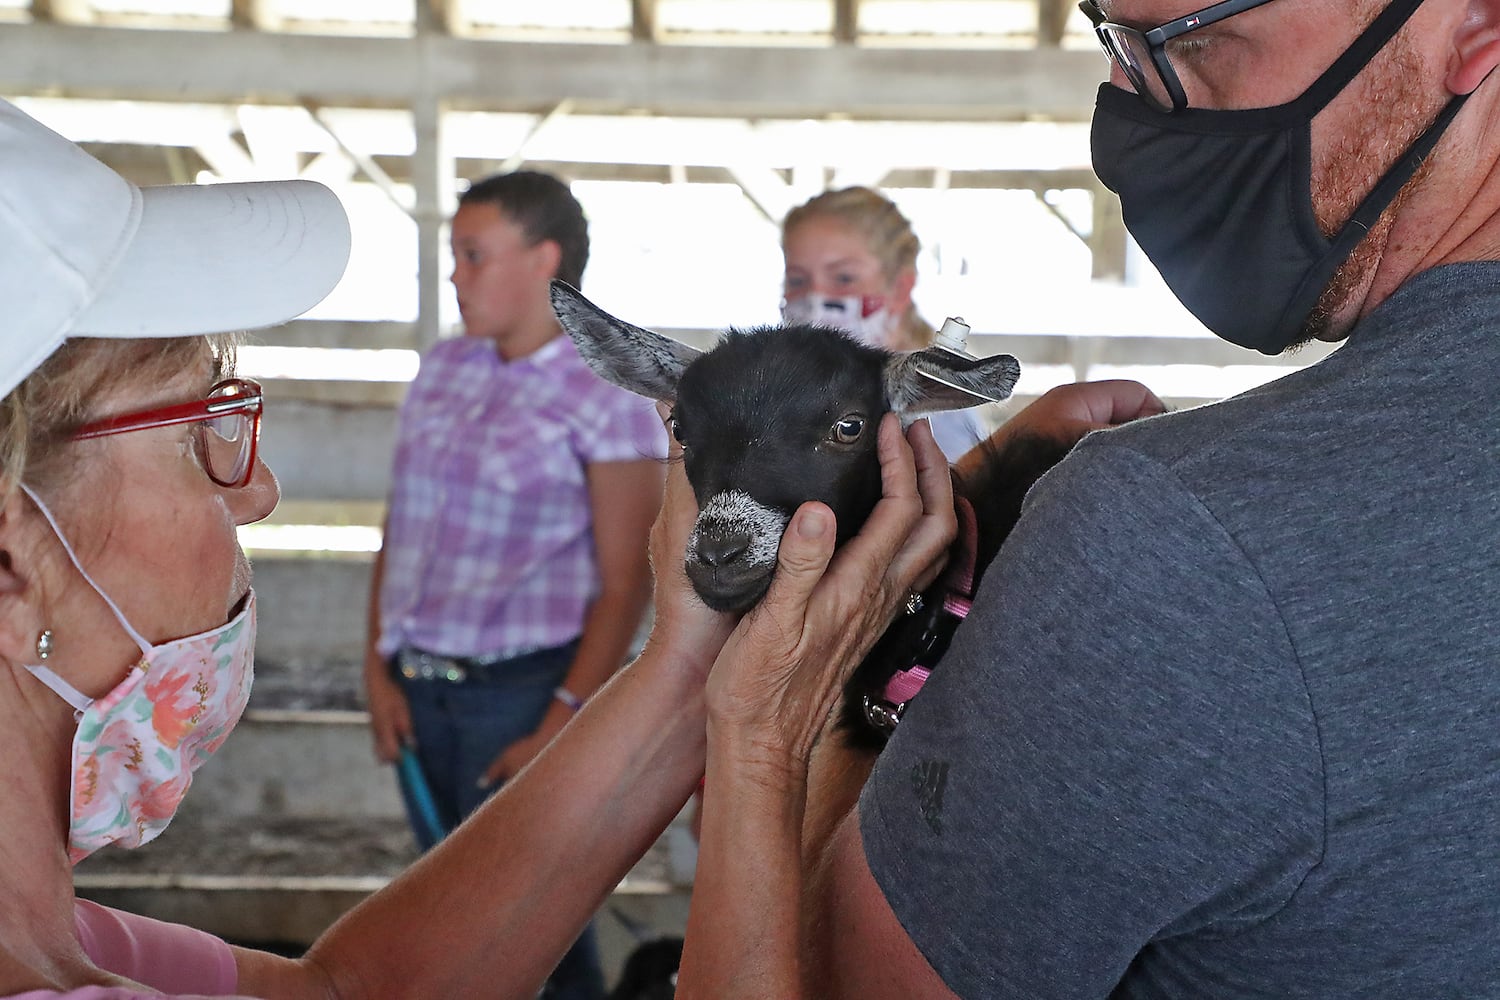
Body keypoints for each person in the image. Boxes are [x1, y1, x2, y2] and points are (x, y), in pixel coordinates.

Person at [0, 94, 991, 1000]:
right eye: (200, 432)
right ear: (9, 557)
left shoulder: (68, 944)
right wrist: (762, 742)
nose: (257, 487)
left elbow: (351, 993)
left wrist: (696, 662)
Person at [687, 0, 1499, 996]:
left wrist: (860, 668)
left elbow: (815, 974)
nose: (1127, 111)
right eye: (1111, 40)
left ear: (1475, 26)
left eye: (1188, 40)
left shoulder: (1169, 541)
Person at [360, 170, 666, 998]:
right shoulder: (443, 368)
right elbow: (403, 526)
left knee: (533, 929)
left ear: (544, 261)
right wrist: (377, 668)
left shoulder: (605, 394)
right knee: (444, 909)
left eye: (472, 255)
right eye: (455, 256)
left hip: (524, 695)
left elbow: (623, 581)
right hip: (421, 690)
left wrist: (564, 718)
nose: (456, 274)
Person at [779, 186, 989, 460]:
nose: (815, 296)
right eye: (797, 280)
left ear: (900, 288)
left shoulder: (938, 409)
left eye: (844, 278)